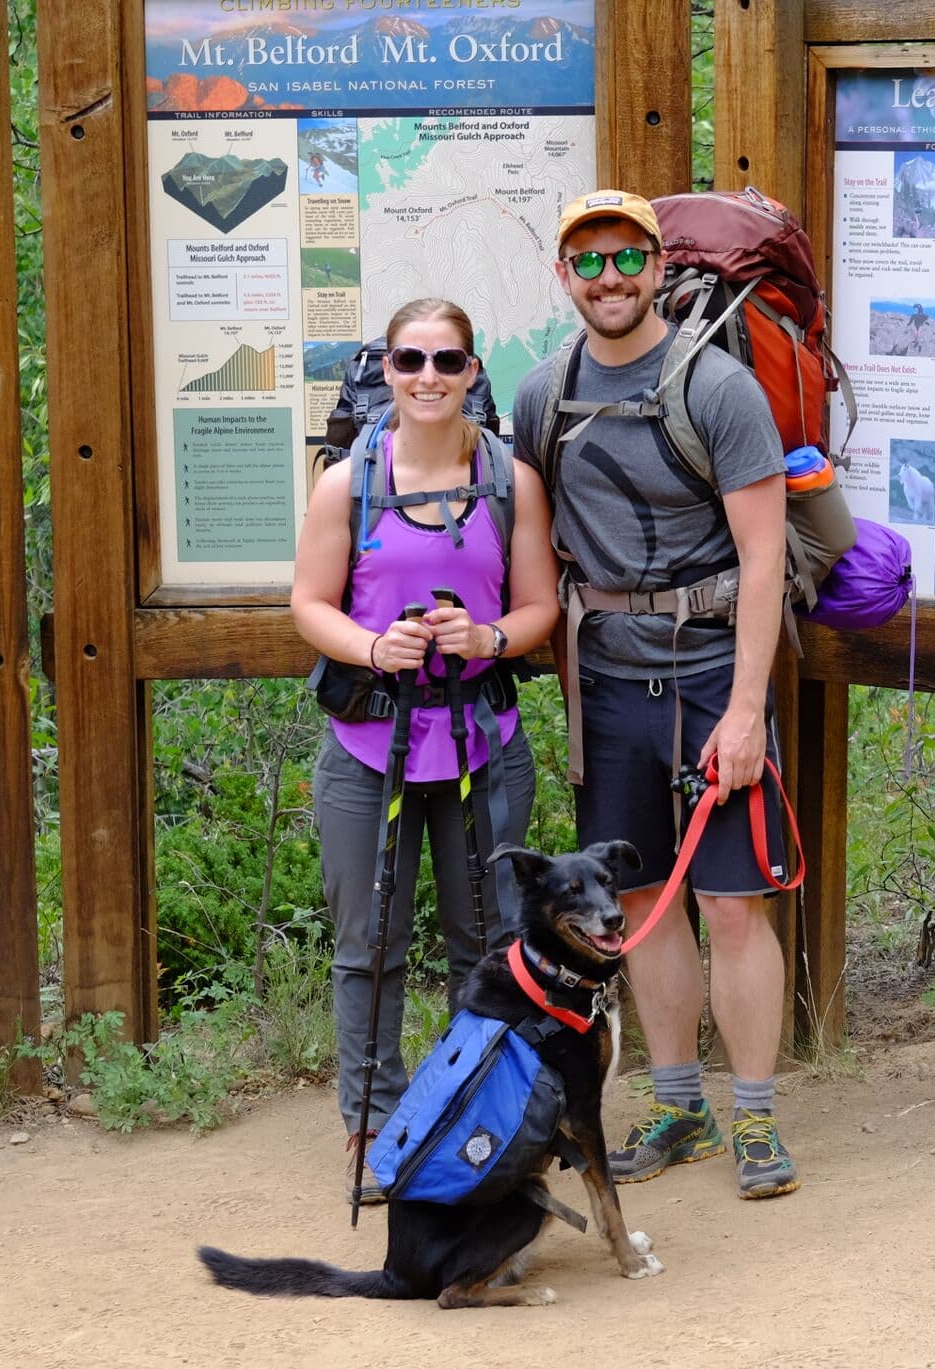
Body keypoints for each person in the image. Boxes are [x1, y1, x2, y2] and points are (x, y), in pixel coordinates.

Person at [511, 190, 800, 1200]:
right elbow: (539, 551)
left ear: (656, 262)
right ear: (564, 278)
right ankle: (680, 1107)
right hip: (609, 681)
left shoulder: (717, 389)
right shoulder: (544, 395)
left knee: (729, 903)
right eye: (587, 263)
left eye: (626, 257)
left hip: (716, 666)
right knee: (637, 901)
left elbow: (764, 557)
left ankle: (755, 1119)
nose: (609, 280)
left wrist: (748, 709)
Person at [292, 296, 560, 1200]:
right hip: (372, 747)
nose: (429, 378)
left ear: (475, 371)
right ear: (388, 371)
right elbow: (309, 604)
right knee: (369, 944)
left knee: (484, 943)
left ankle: (476, 1121)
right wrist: (376, 647)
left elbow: (538, 610)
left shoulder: (510, 482)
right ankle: (378, 1130)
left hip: (482, 742)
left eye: (448, 361)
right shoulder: (349, 481)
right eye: (411, 361)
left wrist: (485, 638)